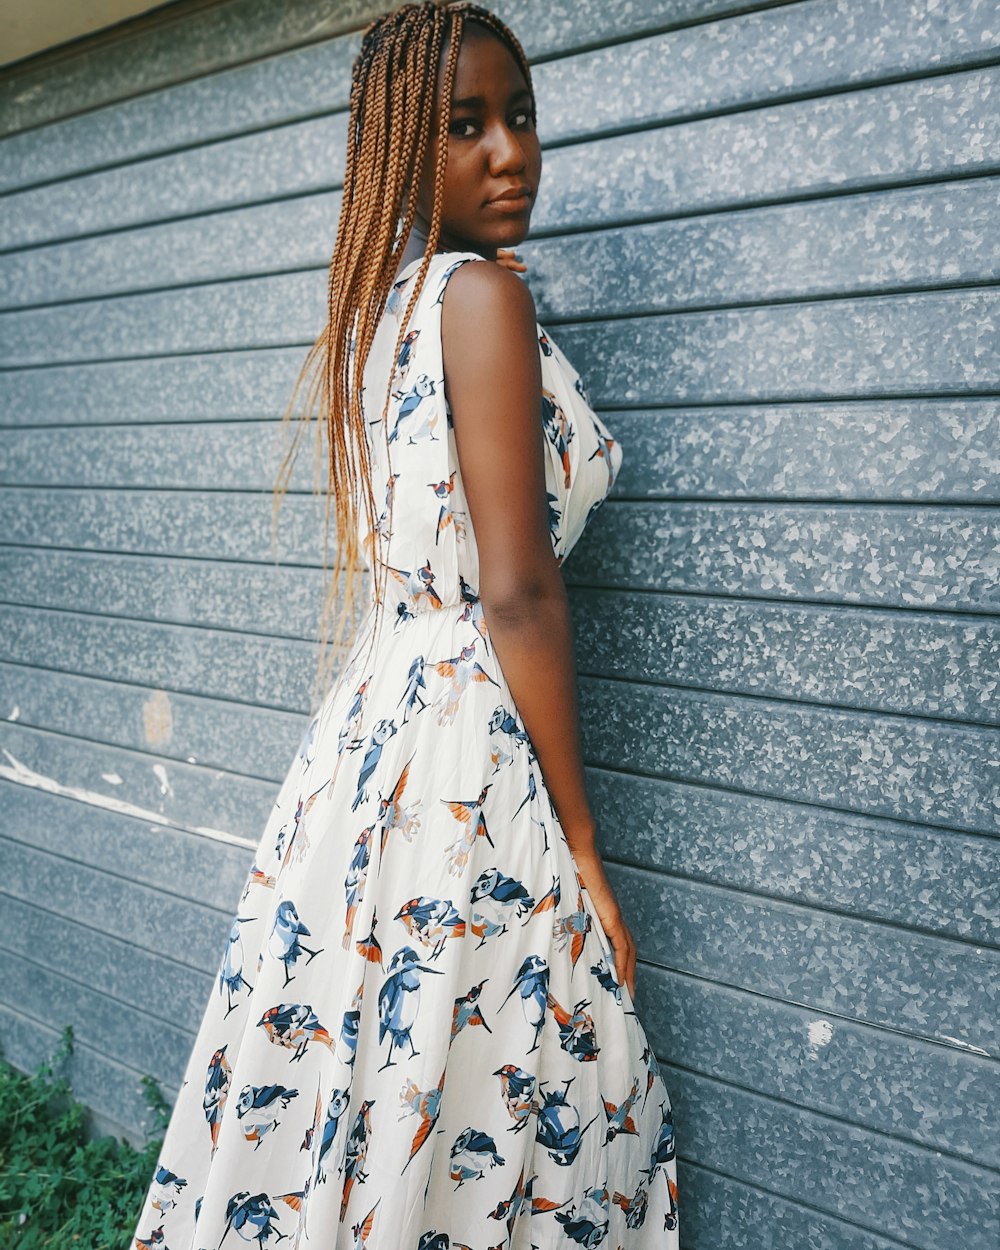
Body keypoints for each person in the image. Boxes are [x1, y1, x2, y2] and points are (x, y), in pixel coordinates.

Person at [129, 3, 679, 1246]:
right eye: (466, 126)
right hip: (463, 757)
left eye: (521, 117)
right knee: (535, 1072)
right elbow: (519, 590)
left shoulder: (392, 309)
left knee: (378, 1071)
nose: (510, 153)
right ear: (400, 149)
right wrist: (584, 848)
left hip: (375, 743)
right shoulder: (474, 301)